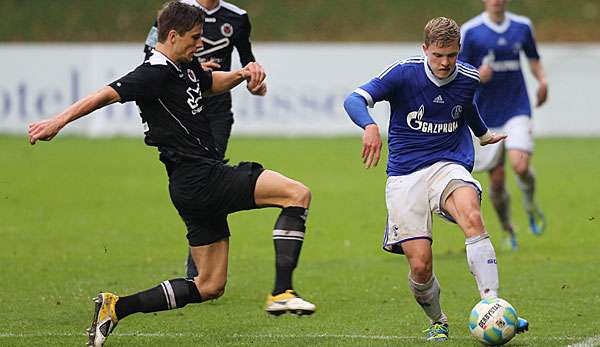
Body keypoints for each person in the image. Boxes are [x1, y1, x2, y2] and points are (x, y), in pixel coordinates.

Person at [28, 2, 314, 346]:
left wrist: (240, 74)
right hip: (201, 177)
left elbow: (209, 82)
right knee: (296, 194)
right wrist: (56, 122)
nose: (199, 45)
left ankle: (115, 308)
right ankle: (282, 291)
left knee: (209, 286)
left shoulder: (185, 65)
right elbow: (104, 94)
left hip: (190, 185)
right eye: (195, 38)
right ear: (173, 36)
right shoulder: (153, 72)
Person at [343, 17, 528, 341]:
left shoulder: (468, 76)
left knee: (471, 213)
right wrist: (370, 126)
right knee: (420, 266)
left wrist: (482, 135)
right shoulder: (403, 72)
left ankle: (492, 305)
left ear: (459, 50)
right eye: (438, 55)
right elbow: (354, 99)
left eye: (452, 55)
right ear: (425, 49)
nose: (445, 63)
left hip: (449, 165)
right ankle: (438, 319)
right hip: (405, 175)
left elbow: (465, 106)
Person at [145, 0, 260, 279]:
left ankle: (198, 271)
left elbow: (247, 59)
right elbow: (151, 53)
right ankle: (202, 268)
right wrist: (193, 70)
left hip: (217, 109)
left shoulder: (237, 17)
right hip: (182, 108)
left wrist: (254, 78)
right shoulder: (176, 11)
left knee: (210, 175)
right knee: (199, 180)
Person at [460, 0, 548, 250]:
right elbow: (458, 69)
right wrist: (478, 74)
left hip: (517, 108)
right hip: (485, 114)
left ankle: (530, 203)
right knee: (497, 181)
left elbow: (533, 58)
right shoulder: (471, 31)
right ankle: (508, 228)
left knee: (520, 165)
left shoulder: (522, 26)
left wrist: (542, 80)